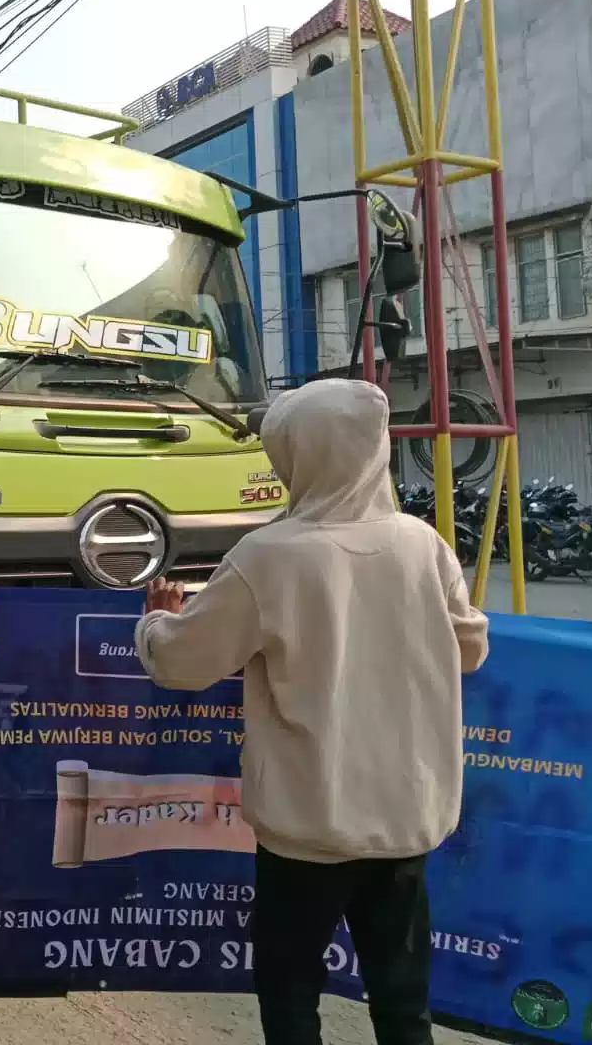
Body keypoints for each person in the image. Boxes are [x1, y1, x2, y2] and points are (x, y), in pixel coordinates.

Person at [134, 378, 489, 1045]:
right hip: (403, 823)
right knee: (404, 1002)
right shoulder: (423, 546)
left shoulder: (268, 557)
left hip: (305, 831)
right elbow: (470, 649)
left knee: (292, 997)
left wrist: (155, 625)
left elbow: (185, 663)